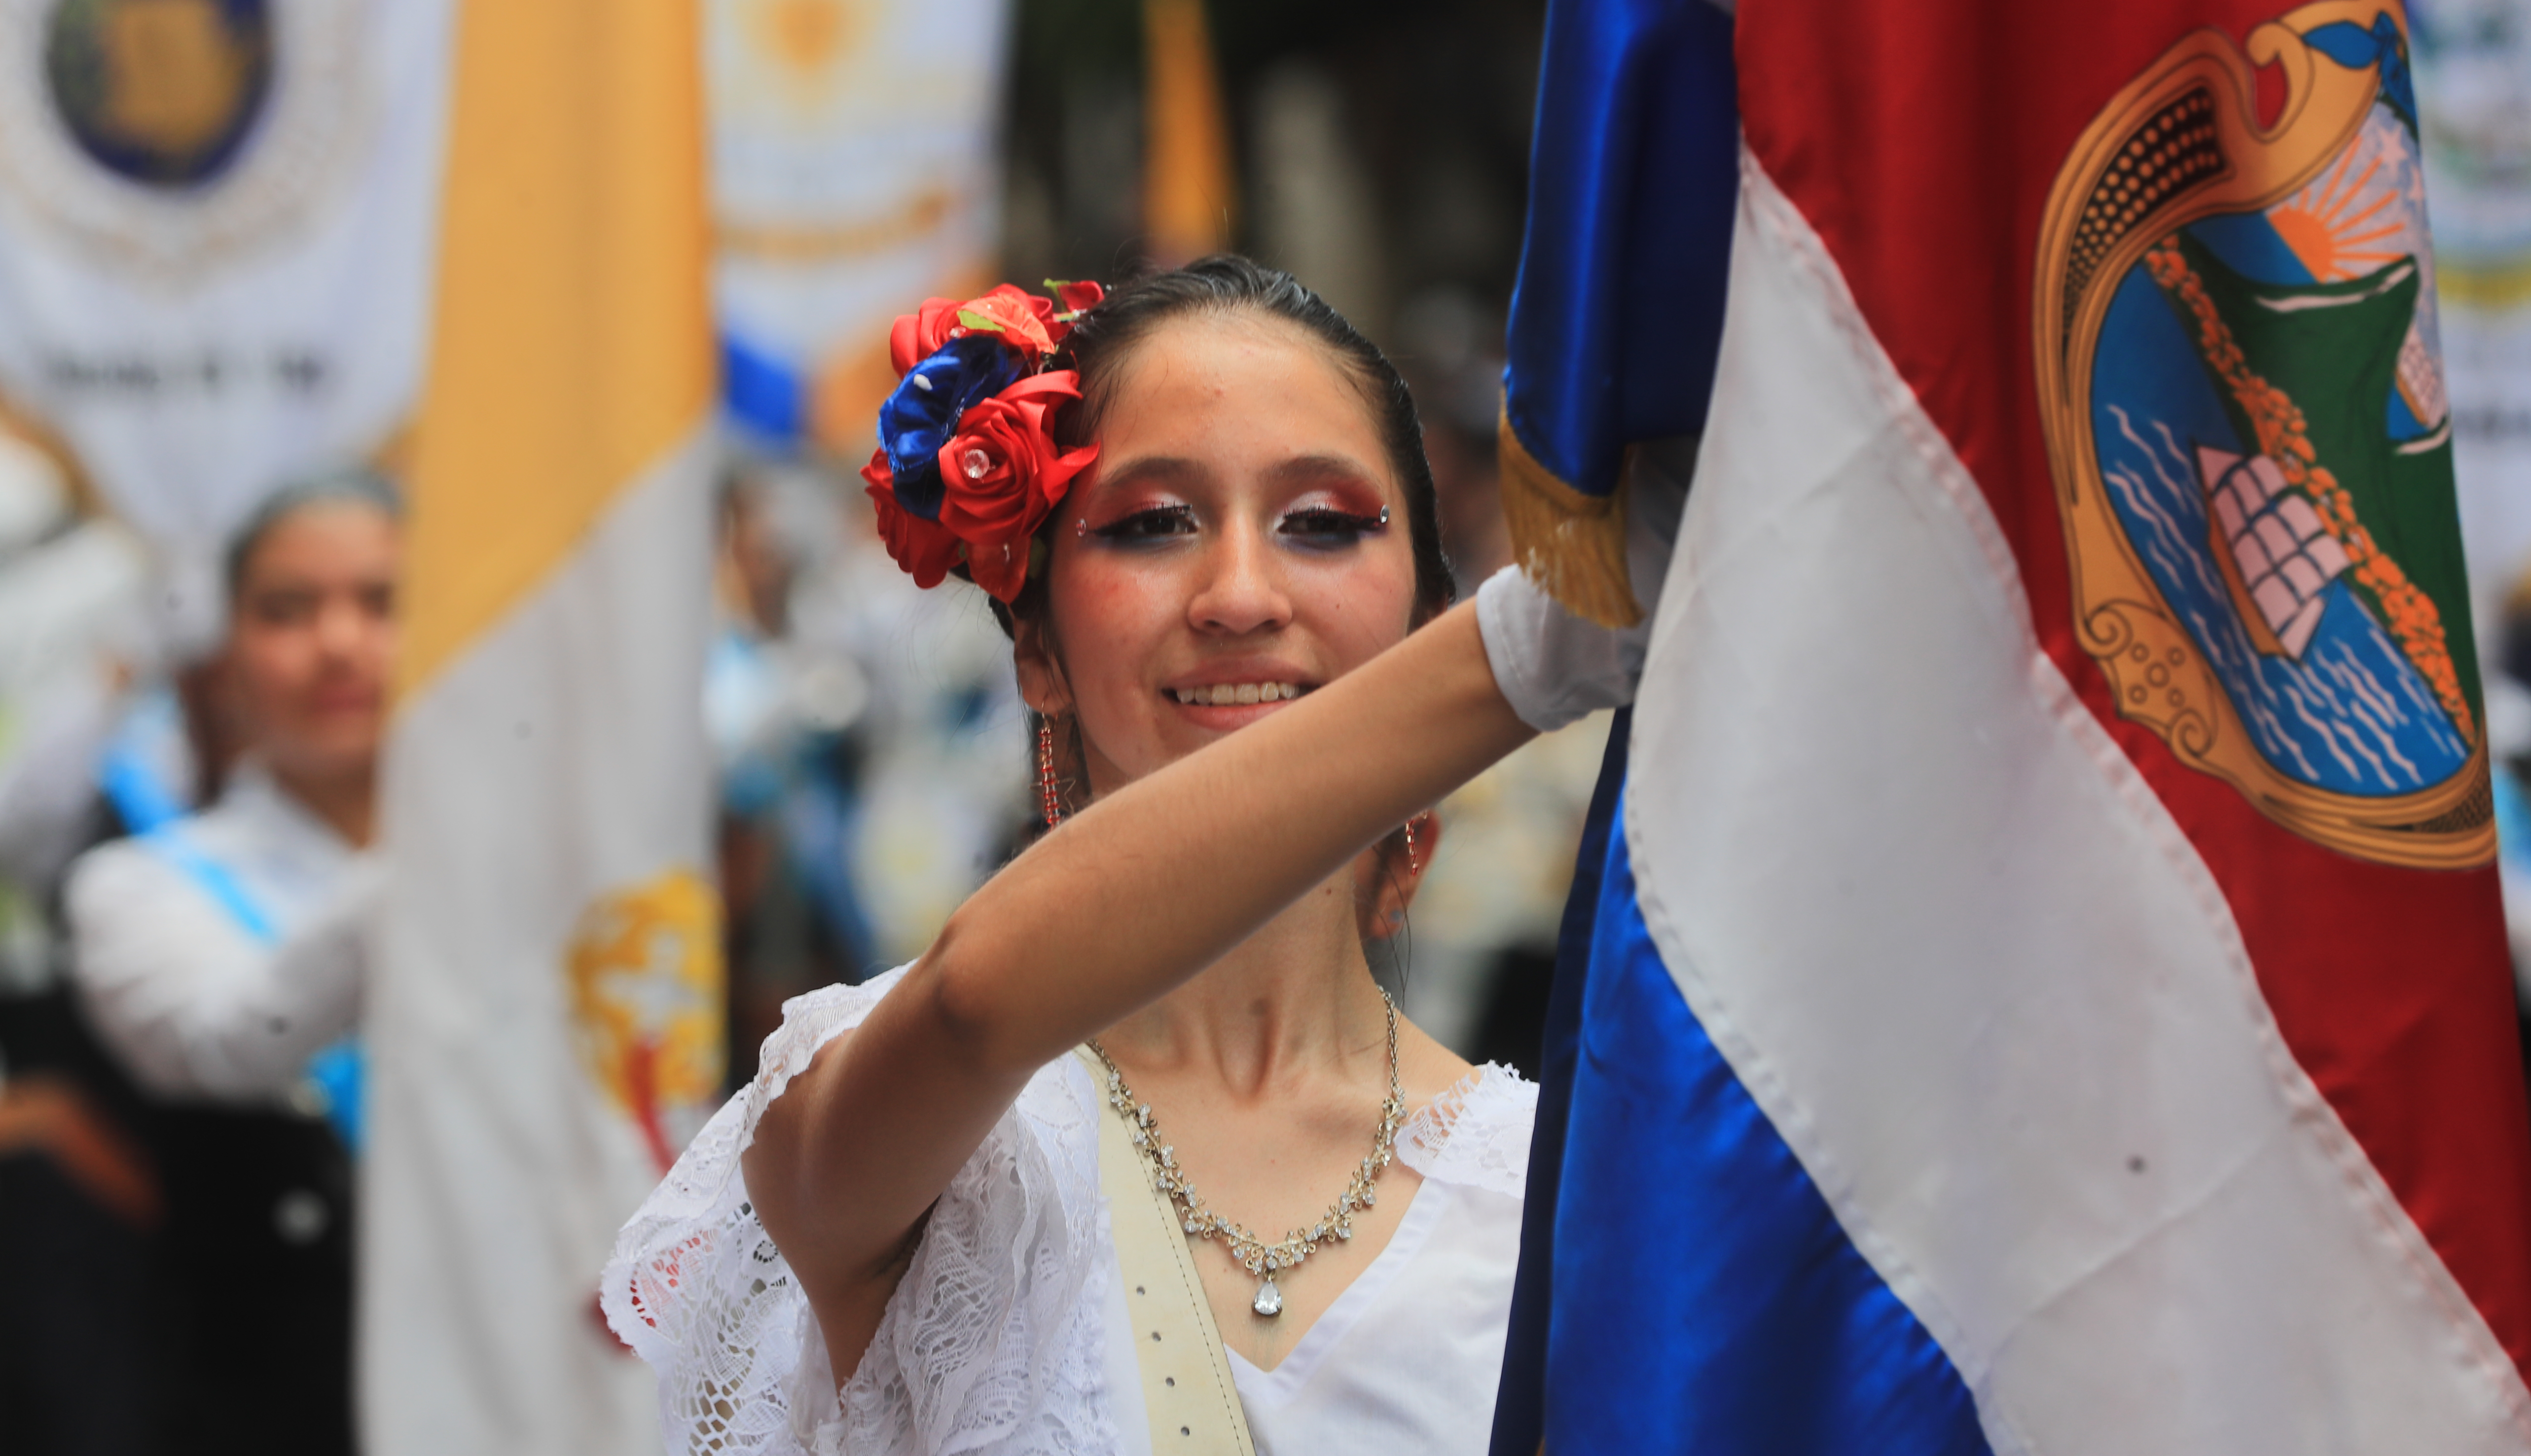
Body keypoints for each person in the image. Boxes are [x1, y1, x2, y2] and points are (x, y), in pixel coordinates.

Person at [606, 259, 1668, 1455]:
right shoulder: (898, 1101)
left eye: (1323, 524)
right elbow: (975, 1003)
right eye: (1153, 524)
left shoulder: (1570, 1197)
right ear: (1036, 649)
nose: (1240, 595)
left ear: (1423, 619)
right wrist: (1545, 639)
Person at [61, 472, 399, 1456]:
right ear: (225, 662)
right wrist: (442, 842)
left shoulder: (547, 873)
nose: (339, 643)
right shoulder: (137, 888)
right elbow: (230, 1041)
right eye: (287, 610)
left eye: (384, 602)